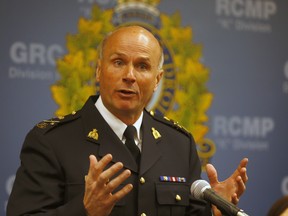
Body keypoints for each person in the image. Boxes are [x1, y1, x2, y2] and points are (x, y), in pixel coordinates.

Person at [7, 25, 248, 216]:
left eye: (142, 66)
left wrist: (216, 211)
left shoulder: (179, 144)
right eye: (119, 62)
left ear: (157, 80)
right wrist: (84, 211)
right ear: (99, 71)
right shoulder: (52, 141)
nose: (129, 76)